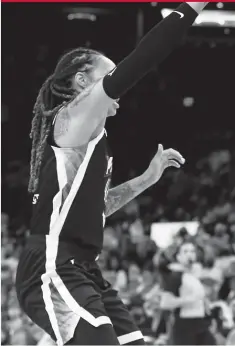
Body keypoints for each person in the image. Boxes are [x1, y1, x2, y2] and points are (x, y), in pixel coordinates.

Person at [14, 3, 207, 345]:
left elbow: (96, 210)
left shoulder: (91, 138)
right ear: (83, 81)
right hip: (52, 265)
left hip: (83, 267)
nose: (118, 85)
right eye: (109, 74)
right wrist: (192, 7)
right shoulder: (71, 118)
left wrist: (146, 179)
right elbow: (145, 58)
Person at [159, 241, 216, 345]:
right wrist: (189, 299)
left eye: (192, 251)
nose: (189, 254)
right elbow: (165, 302)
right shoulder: (175, 276)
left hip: (201, 322)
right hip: (185, 324)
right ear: (178, 256)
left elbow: (200, 296)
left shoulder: (195, 274)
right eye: (185, 251)